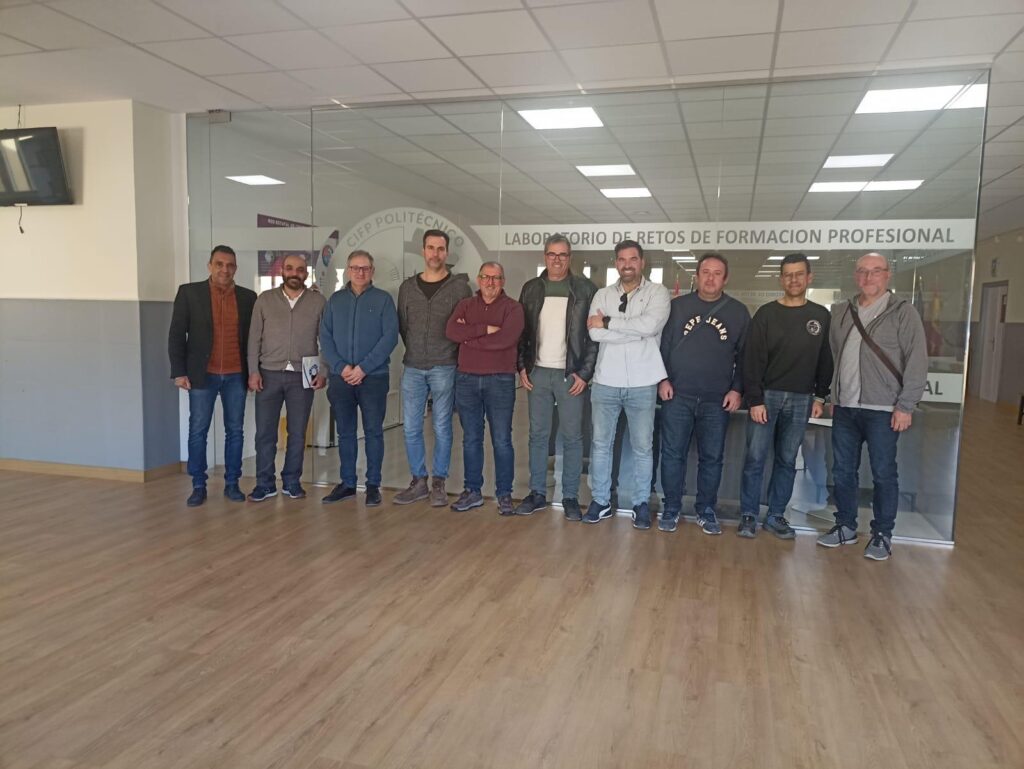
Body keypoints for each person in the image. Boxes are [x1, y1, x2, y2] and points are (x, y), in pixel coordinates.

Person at [817, 252, 927, 561]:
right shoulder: (842, 311)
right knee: (843, 471)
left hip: (884, 409)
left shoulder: (903, 312)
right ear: (856, 276)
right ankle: (845, 526)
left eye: (875, 271)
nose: (868, 277)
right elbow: (834, 356)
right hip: (845, 407)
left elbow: (916, 361)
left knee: (883, 473)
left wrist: (906, 405)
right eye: (863, 271)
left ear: (887, 275)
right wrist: (833, 396)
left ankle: (882, 533)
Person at [737, 253, 833, 539]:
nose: (794, 280)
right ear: (781, 279)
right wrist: (755, 399)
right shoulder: (766, 314)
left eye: (799, 274)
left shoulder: (821, 316)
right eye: (788, 275)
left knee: (787, 460)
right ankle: (748, 515)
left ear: (809, 277)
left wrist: (820, 396)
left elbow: (825, 359)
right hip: (767, 397)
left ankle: (776, 515)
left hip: (802, 398)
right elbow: (751, 359)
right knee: (755, 458)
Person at [658, 252, 750, 534]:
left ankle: (706, 509)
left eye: (717, 273)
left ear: (726, 278)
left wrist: (737, 389)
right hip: (678, 395)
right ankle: (671, 508)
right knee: (672, 455)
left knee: (712, 458)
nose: (710, 278)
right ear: (697, 276)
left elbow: (746, 357)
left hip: (716, 399)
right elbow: (662, 346)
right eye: (706, 272)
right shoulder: (677, 307)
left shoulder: (738, 312)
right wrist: (662, 379)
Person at [584, 240, 670, 530]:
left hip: (643, 383)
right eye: (622, 259)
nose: (627, 264)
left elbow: (650, 327)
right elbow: (594, 334)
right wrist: (634, 331)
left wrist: (608, 322)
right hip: (605, 381)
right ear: (616, 263)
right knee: (600, 445)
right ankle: (600, 501)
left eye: (633, 259)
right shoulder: (602, 294)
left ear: (642, 262)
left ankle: (641, 503)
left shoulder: (657, 293)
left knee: (643, 447)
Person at [515, 234, 598, 521]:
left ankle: (570, 497)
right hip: (537, 373)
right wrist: (522, 367)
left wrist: (585, 373)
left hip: (570, 375)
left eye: (562, 254)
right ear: (545, 256)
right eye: (552, 254)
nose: (557, 259)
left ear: (569, 257)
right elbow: (521, 332)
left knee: (573, 438)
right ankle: (537, 493)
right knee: (538, 436)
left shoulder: (585, 289)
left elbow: (593, 337)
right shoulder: (531, 289)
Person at [168, 245, 257, 507]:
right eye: (219, 264)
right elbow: (176, 334)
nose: (224, 270)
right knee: (198, 431)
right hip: (201, 375)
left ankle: (232, 483)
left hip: (236, 375)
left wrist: (254, 371)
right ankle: (198, 485)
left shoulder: (248, 297)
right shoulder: (189, 293)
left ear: (236, 268)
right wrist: (179, 372)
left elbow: (254, 340)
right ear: (209, 266)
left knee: (235, 431)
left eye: (230, 265)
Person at [394, 229, 472, 506]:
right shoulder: (407, 288)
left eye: (440, 249)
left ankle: (439, 482)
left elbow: (466, 326)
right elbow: (403, 325)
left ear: (446, 252)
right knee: (411, 427)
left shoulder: (460, 288)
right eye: (430, 248)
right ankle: (418, 481)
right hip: (413, 366)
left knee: (441, 426)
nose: (435, 254)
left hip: (445, 365)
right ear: (423, 251)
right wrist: (416, 349)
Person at [319, 250, 398, 506]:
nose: (360, 272)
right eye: (355, 267)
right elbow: (325, 337)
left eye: (365, 268)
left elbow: (390, 338)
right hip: (340, 378)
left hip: (373, 377)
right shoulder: (335, 301)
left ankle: (373, 484)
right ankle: (348, 483)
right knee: (345, 432)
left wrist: (363, 368)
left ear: (372, 271)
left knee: (373, 432)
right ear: (348, 270)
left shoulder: (384, 300)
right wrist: (341, 367)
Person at [445, 262, 525, 515]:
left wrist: (469, 339)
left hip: (500, 380)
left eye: (496, 278)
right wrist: (484, 330)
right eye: (486, 277)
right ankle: (472, 491)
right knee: (471, 439)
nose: (490, 282)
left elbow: (506, 339)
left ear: (503, 281)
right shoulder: (465, 305)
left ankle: (504, 494)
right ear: (479, 280)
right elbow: (451, 331)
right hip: (467, 379)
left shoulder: (513, 308)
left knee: (502, 439)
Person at [247, 254, 327, 502]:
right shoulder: (265, 300)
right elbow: (254, 339)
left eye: (300, 269)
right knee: (265, 433)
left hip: (303, 376)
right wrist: (253, 370)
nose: (295, 273)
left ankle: (292, 482)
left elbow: (326, 339)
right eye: (290, 268)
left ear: (306, 273)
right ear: (282, 271)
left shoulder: (318, 301)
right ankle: (264, 483)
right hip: (268, 374)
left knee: (298, 433)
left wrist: (324, 371)